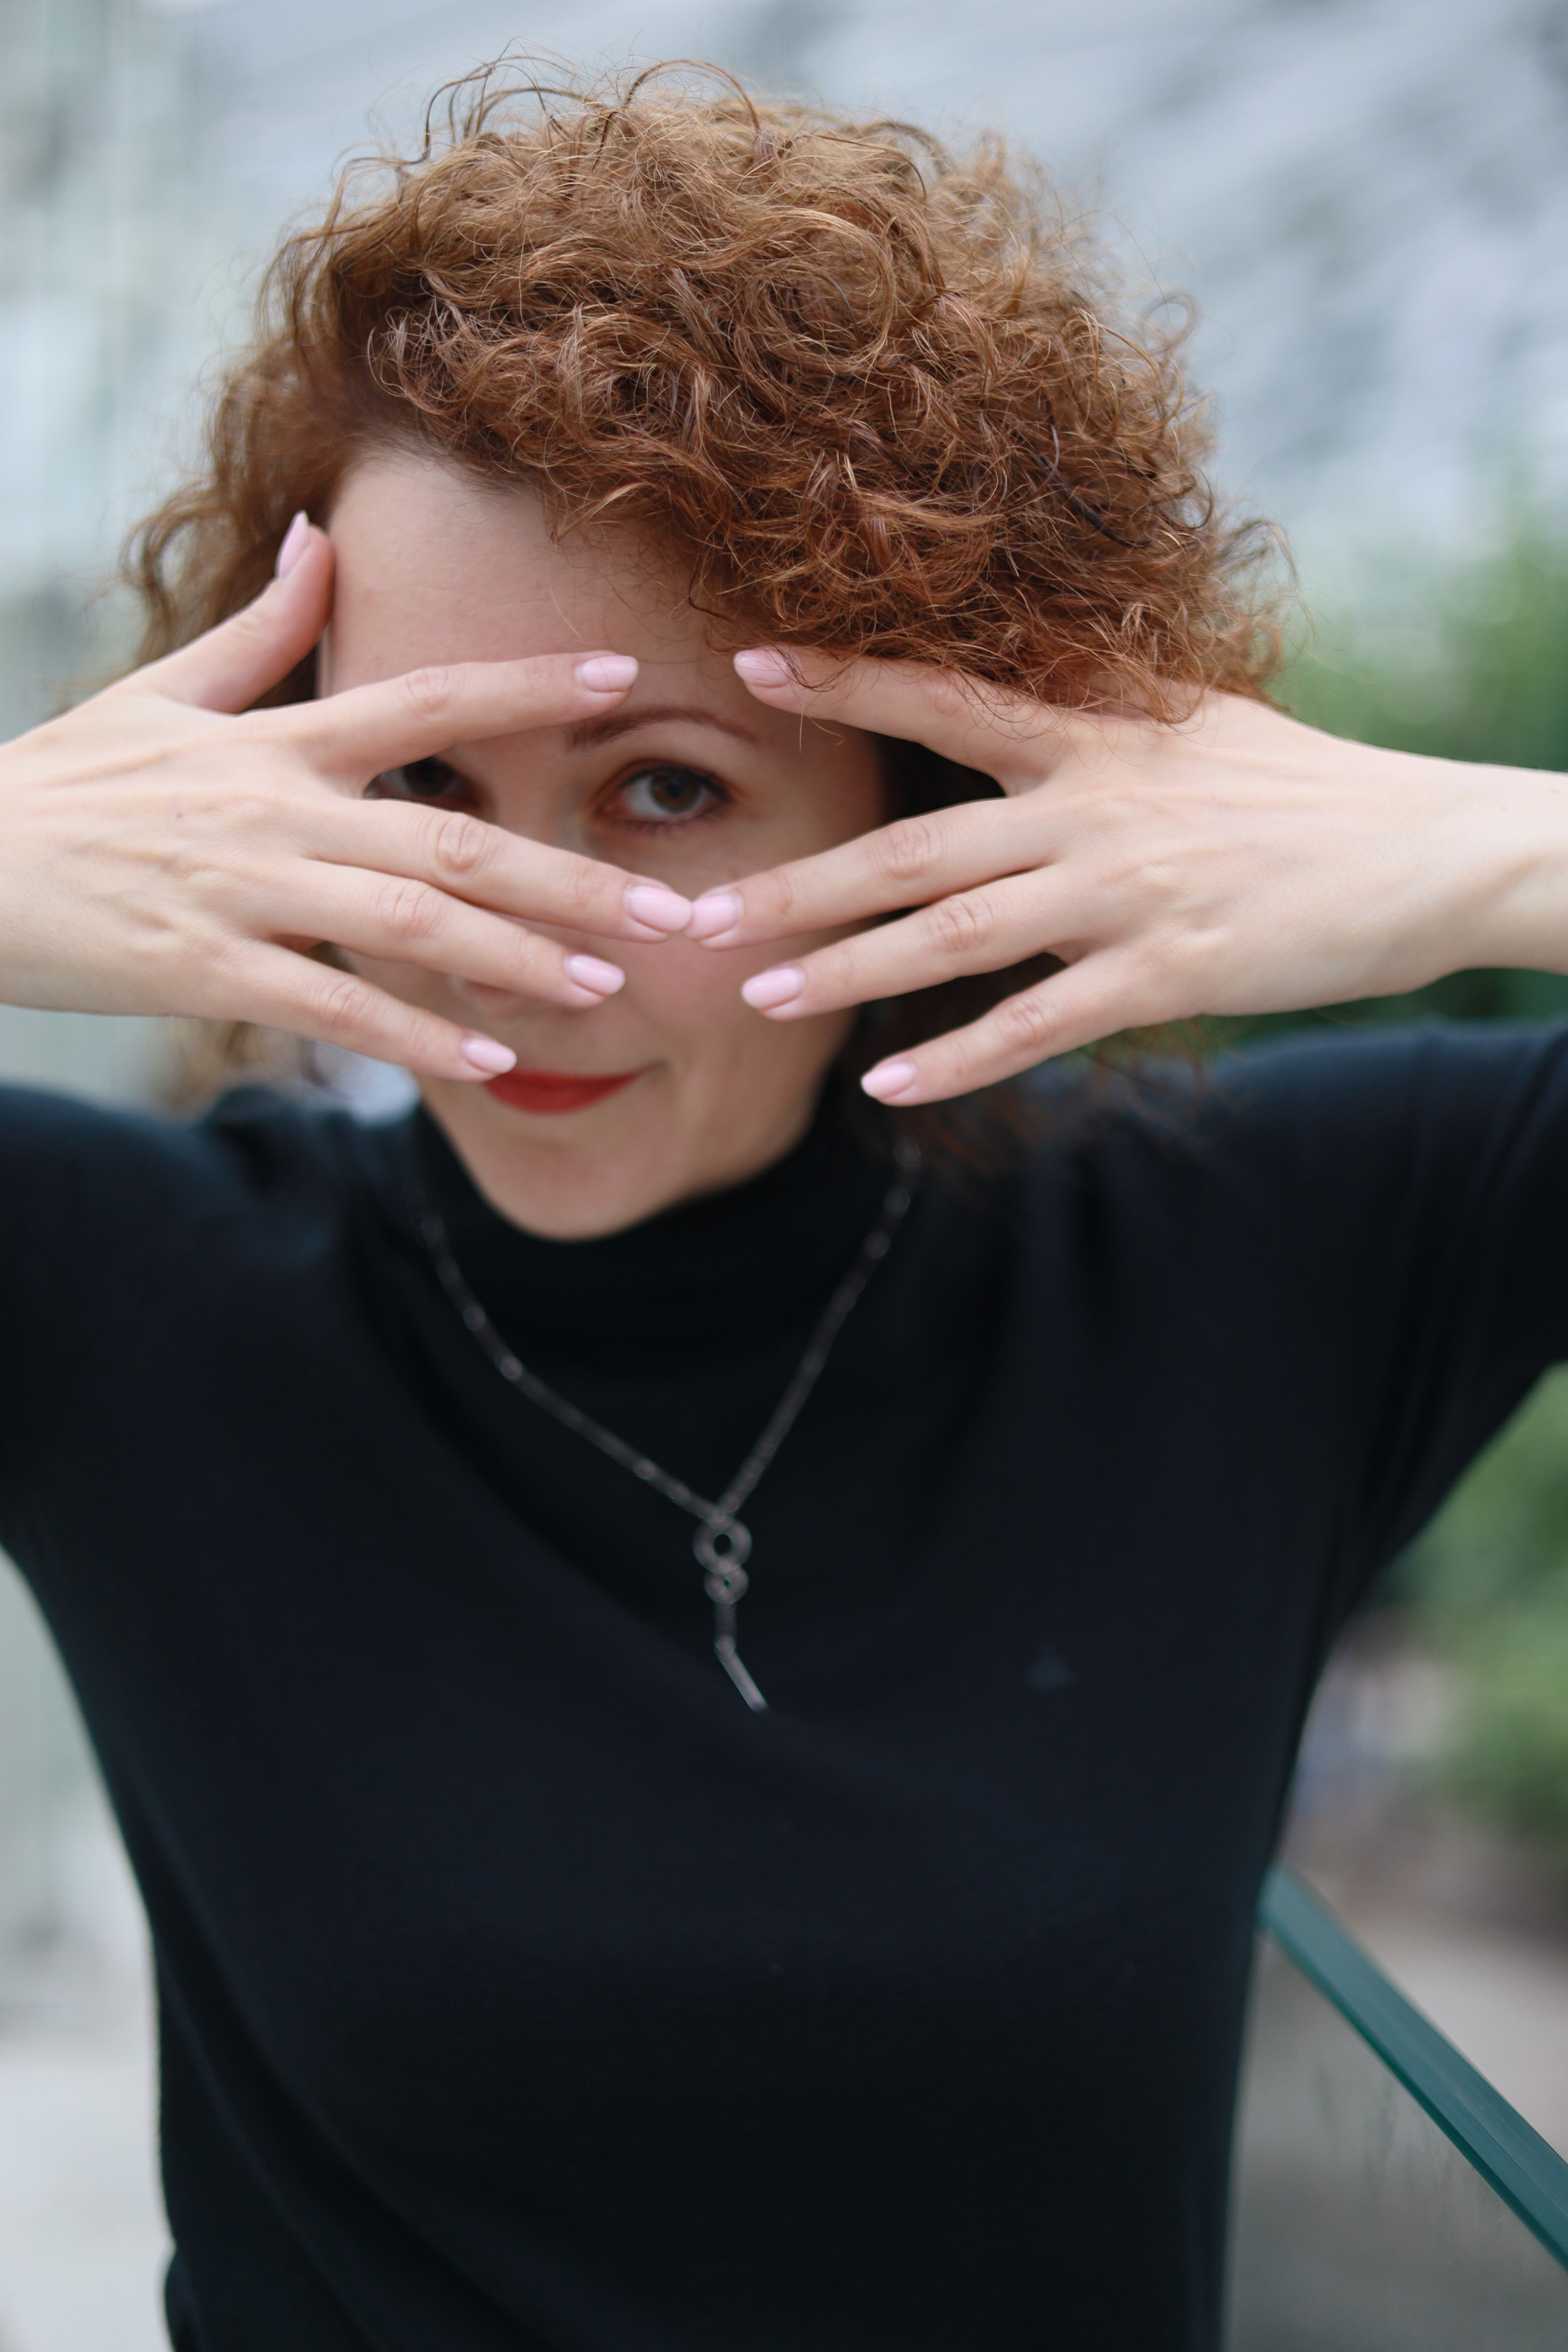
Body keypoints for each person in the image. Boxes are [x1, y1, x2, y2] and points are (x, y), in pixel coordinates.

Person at [4, 64, 1566, 2352]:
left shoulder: (1256, 1261)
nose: (514, 929)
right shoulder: (129, 1292)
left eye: (660, 787)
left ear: (925, 799)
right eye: (413, 781)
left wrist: (1514, 853)